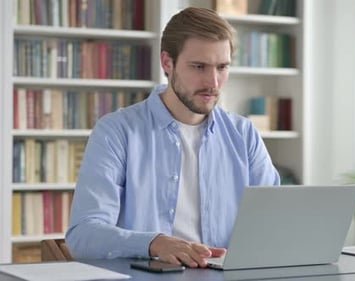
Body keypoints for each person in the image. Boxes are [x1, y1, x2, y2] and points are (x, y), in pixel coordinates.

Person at [65, 7, 280, 268]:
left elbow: (273, 223)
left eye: (222, 67)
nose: (213, 82)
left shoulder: (244, 135)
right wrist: (153, 242)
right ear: (167, 63)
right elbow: (84, 236)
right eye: (199, 66)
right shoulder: (116, 132)